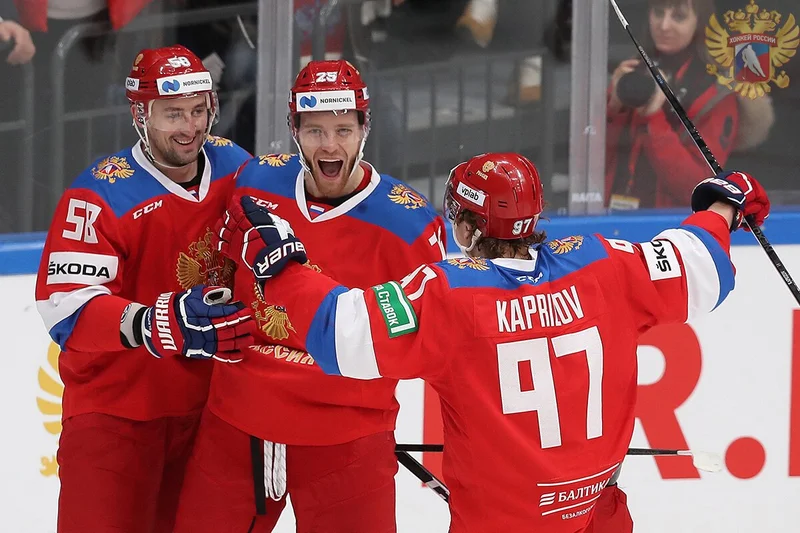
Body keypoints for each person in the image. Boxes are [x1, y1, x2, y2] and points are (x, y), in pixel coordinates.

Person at [216, 152, 770, 532]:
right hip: (595, 514)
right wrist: (723, 206)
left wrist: (282, 267)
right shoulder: (604, 263)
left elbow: (343, 333)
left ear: (467, 227)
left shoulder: (450, 294)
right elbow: (700, 265)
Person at [173, 59, 447, 533]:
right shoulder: (255, 183)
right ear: (294, 130)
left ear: (364, 129)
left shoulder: (410, 225)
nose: (330, 145)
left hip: (347, 439)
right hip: (236, 426)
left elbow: (428, 342)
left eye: (343, 130)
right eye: (315, 130)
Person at [34, 45, 255, 533]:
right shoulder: (100, 193)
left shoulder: (235, 166)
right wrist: (160, 322)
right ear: (141, 115)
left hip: (209, 411)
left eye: (198, 111)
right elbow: (66, 309)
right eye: (173, 114)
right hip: (115, 414)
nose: (190, 127)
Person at [605, 0, 772, 209]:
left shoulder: (717, 94)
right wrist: (614, 107)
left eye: (679, 17)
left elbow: (696, 188)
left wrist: (654, 118)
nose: (664, 25)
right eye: (658, 13)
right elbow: (586, 169)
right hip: (611, 217)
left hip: (674, 223)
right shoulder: (633, 72)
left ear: (699, 23)